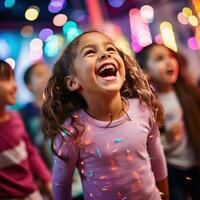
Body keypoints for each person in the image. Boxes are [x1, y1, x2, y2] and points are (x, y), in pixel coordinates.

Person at [42, 31, 169, 200]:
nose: (105, 54)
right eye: (90, 52)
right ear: (73, 82)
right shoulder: (72, 131)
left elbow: (158, 161)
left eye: (110, 49)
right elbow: (61, 184)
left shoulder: (143, 109)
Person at [136, 43, 200, 200]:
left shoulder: (189, 94)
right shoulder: (147, 106)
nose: (169, 62)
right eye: (159, 59)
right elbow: (146, 147)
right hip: (171, 169)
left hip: (195, 163)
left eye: (171, 57)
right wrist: (167, 138)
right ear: (146, 72)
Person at [0, 60, 53, 199]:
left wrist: (48, 179)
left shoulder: (16, 118)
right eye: (6, 79)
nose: (15, 86)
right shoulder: (25, 114)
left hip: (32, 191)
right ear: (29, 85)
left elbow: (29, 151)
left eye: (13, 79)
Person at [20, 61, 52, 169]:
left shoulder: (62, 106)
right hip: (43, 172)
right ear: (29, 85)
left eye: (48, 72)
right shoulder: (24, 113)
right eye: (39, 74)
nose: (47, 77)